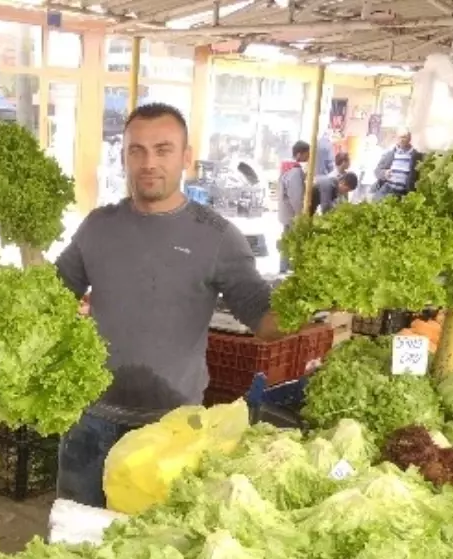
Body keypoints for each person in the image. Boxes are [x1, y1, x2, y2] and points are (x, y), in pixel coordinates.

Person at [53, 102, 276, 509]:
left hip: (171, 428)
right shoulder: (98, 226)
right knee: (73, 538)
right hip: (90, 419)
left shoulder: (218, 236)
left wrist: (309, 300)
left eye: (163, 149)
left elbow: (260, 314)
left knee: (152, 556)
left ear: (186, 157)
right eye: (136, 150)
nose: (148, 162)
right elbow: (52, 295)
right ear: (123, 157)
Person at [277, 140, 312, 273]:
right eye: (307, 154)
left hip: (285, 212)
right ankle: (290, 266)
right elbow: (296, 196)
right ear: (299, 154)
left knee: (287, 239)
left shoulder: (286, 167)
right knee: (294, 240)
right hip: (292, 213)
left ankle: (284, 266)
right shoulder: (295, 172)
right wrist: (301, 214)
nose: (308, 157)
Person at [373, 131, 423, 198]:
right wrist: (384, 173)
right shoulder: (389, 154)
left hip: (404, 195)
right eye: (399, 137)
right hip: (386, 192)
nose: (401, 140)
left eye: (404, 137)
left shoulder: (417, 156)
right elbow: (376, 171)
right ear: (396, 138)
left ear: (409, 138)